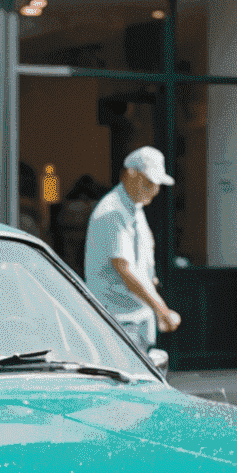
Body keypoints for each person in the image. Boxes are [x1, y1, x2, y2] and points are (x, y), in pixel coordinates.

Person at [82, 146, 182, 351]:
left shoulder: (132, 207)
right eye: (149, 182)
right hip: (120, 321)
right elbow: (124, 268)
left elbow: (140, 260)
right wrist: (161, 309)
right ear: (131, 173)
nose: (154, 190)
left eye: (157, 184)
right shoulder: (113, 211)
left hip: (134, 319)